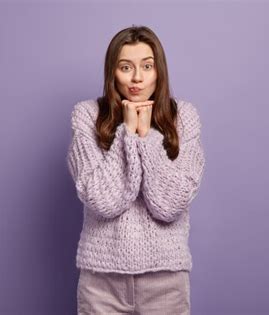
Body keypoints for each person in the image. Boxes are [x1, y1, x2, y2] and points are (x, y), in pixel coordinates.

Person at [66, 25, 206, 315]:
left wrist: (146, 136)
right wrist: (127, 133)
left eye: (147, 66)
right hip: (101, 283)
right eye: (125, 67)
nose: (137, 78)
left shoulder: (184, 118)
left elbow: (168, 205)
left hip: (166, 281)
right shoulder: (87, 116)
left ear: (159, 71)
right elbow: (103, 200)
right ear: (112, 72)